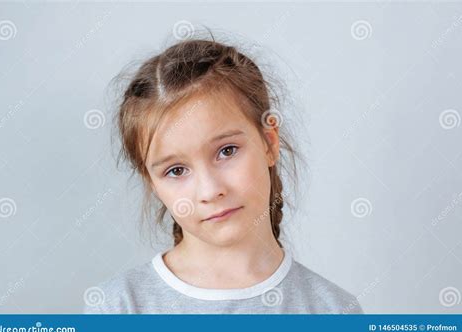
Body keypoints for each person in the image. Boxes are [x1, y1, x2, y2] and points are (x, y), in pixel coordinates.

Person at [83, 36, 363, 314]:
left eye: (227, 151)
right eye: (176, 170)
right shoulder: (118, 308)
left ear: (269, 142)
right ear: (153, 184)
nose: (209, 190)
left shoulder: (334, 311)